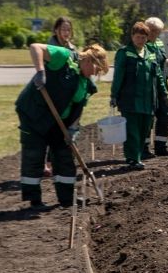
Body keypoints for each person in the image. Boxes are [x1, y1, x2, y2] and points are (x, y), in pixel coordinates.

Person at [15, 42, 109, 207]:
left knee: (64, 155)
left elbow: (77, 109)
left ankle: (66, 198)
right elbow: (35, 47)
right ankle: (34, 199)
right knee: (34, 154)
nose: (96, 74)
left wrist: (72, 130)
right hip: (34, 113)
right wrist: (40, 71)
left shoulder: (86, 83)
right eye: (97, 70)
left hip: (59, 122)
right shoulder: (64, 56)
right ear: (89, 61)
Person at [110, 21, 160, 171]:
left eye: (144, 38)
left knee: (144, 129)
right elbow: (118, 75)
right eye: (138, 37)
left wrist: (162, 93)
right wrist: (114, 94)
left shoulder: (150, 53)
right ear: (132, 37)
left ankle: (136, 155)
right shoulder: (124, 52)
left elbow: (156, 76)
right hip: (129, 99)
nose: (141, 40)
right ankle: (132, 158)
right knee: (132, 130)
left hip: (147, 99)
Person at [42, 16, 76, 178]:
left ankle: (55, 162)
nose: (66, 32)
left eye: (68, 29)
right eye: (63, 29)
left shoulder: (72, 49)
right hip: (52, 92)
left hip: (67, 95)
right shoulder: (50, 47)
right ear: (56, 30)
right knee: (50, 129)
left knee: (65, 129)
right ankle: (46, 164)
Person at [143, 17, 168, 158]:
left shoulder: (158, 43)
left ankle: (161, 147)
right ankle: (144, 149)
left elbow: (162, 63)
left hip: (162, 85)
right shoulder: (142, 44)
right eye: (152, 31)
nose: (155, 34)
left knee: (164, 116)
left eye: (158, 32)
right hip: (148, 87)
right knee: (148, 119)